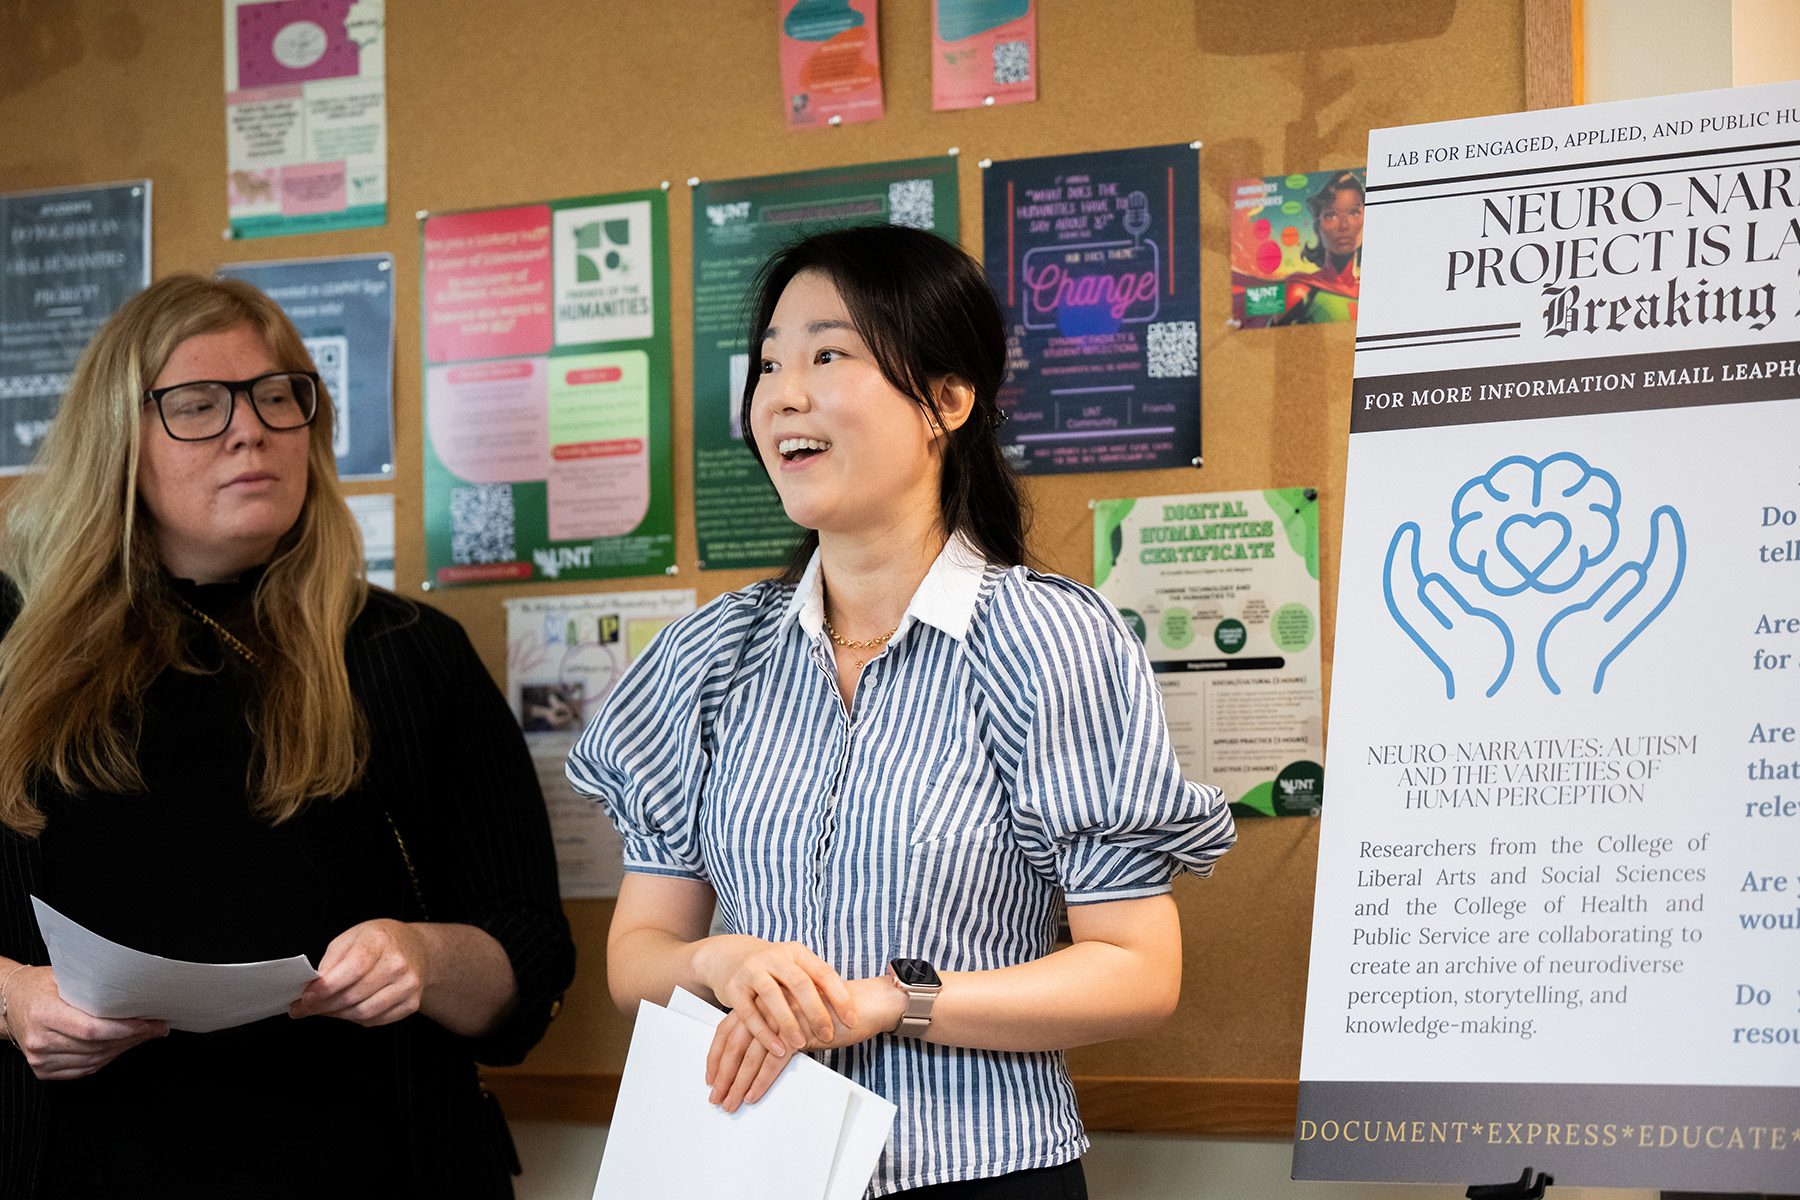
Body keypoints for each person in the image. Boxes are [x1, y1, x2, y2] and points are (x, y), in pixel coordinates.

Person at [567, 225, 1235, 1198]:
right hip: (745, 1163)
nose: (783, 394)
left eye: (828, 355)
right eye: (768, 365)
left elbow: (1137, 971)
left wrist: (894, 1000)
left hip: (974, 1170)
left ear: (947, 401)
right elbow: (637, 958)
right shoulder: (710, 655)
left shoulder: (1045, 643)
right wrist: (720, 960)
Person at [0, 275, 575, 1199]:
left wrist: (423, 960)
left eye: (278, 396)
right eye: (196, 404)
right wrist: (9, 998)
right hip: (77, 1164)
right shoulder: (11, 644)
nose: (250, 428)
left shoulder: (409, 655)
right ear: (118, 444)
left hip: (378, 1165)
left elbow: (529, 954)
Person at [1273, 170, 1364, 325]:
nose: (1344, 226)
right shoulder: (1299, 289)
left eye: (1354, 213)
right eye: (1330, 215)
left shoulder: (1375, 290)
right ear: (1317, 226)